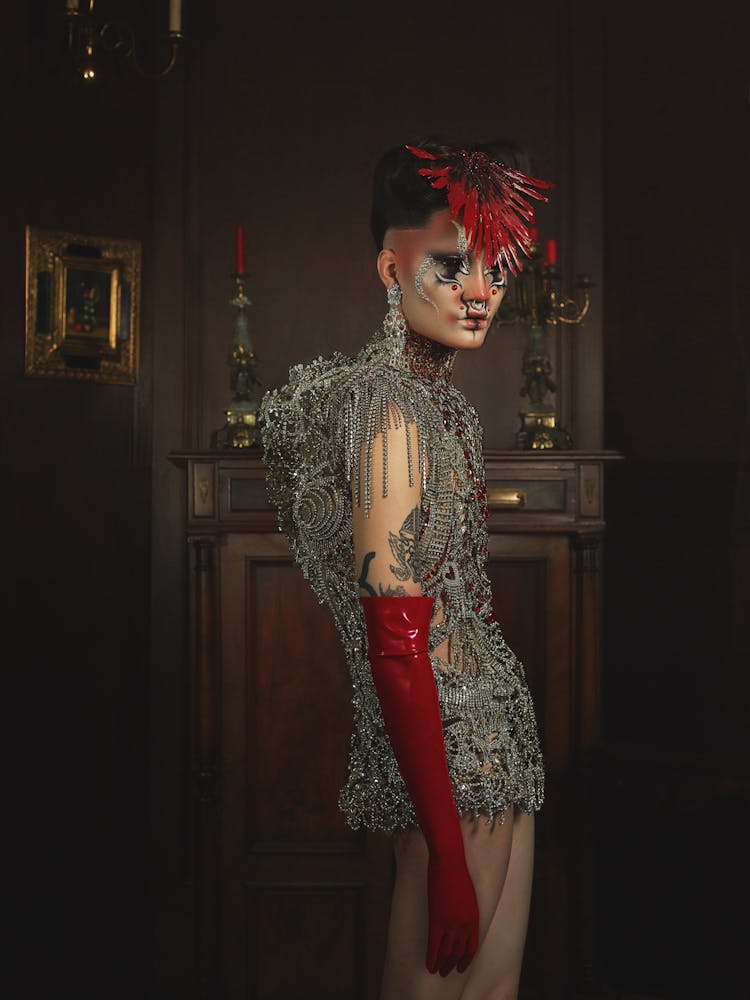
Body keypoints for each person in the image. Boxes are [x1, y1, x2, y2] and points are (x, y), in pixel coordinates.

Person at [260, 137, 549, 999]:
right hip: (451, 756)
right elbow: (395, 643)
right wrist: (447, 852)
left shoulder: (441, 405)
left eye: (496, 270)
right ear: (390, 267)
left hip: (499, 742)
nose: (479, 294)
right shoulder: (388, 409)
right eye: (452, 266)